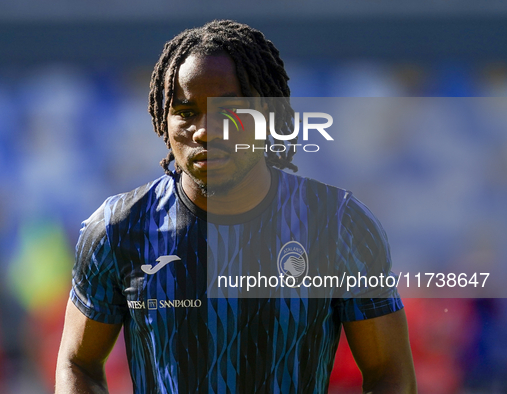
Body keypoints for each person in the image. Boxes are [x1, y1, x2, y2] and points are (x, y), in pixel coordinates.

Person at [56, 20, 417, 393]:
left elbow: (388, 371)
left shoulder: (338, 223)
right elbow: (77, 362)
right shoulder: (119, 229)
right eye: (187, 111)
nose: (205, 130)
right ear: (163, 120)